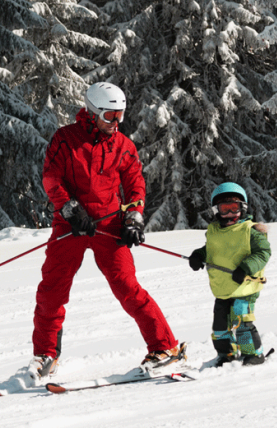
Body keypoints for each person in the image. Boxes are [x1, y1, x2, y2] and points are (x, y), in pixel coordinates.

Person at [29, 82, 182, 381]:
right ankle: (45, 356)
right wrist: (70, 208)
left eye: (120, 116)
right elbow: (51, 177)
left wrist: (134, 218)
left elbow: (135, 183)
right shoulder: (65, 139)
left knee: (127, 286)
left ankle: (165, 348)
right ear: (92, 112)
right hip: (71, 224)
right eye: (110, 116)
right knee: (52, 289)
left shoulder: (123, 145)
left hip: (109, 224)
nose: (116, 123)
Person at [188, 182, 270, 366]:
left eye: (235, 208)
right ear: (216, 210)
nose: (230, 214)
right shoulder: (214, 231)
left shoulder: (251, 231)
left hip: (245, 286)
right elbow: (211, 249)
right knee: (220, 326)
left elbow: (263, 253)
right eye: (225, 209)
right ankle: (227, 354)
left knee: (242, 322)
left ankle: (254, 354)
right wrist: (198, 255)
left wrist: (245, 268)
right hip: (222, 288)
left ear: (244, 208)